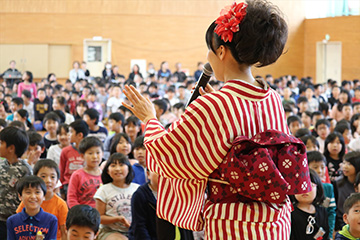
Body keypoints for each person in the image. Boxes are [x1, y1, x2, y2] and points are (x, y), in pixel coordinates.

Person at [122, 0, 311, 238]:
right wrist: (213, 106)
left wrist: (149, 118)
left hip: (234, 222)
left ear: (221, 51)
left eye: (210, 49)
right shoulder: (271, 97)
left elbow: (166, 154)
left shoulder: (215, 105)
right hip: (276, 219)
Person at [16, 160, 68, 240]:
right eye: (43, 176)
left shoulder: (61, 204)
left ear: (57, 181)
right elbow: (17, 223)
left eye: (52, 177)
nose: (48, 180)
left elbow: (64, 231)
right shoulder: (28, 201)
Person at [94, 153, 140, 239]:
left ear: (129, 169)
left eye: (121, 165)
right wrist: (118, 219)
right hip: (110, 231)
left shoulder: (138, 189)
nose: (117, 169)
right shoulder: (103, 190)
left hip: (135, 230)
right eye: (113, 165)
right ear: (107, 171)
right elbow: (99, 218)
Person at [0, 127, 31, 239]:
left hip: (15, 219)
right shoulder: (1, 165)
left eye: (1, 143)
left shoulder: (25, 169)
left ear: (11, 148)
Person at [6, 175, 58, 240]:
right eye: (28, 192)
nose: (33, 196)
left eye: (37, 192)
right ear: (20, 196)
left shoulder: (51, 220)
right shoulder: (12, 221)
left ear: (44, 196)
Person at [290, 169, 329, 240]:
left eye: (310, 185)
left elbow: (326, 234)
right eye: (299, 185)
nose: (305, 189)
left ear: (318, 188)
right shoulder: (290, 213)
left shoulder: (322, 211)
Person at [67, 137, 103, 208]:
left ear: (103, 154)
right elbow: (71, 198)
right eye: (90, 153)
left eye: (98, 153)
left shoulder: (105, 174)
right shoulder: (77, 175)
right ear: (82, 156)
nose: (95, 156)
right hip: (82, 214)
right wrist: (79, 213)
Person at [307, 151, 336, 238]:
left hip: (323, 230)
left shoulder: (329, 188)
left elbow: (331, 212)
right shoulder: (304, 189)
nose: (319, 171)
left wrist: (330, 234)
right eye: (315, 167)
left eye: (322, 167)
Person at [59, 120, 89, 200]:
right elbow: (61, 171)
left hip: (85, 185)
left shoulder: (89, 151)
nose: (69, 135)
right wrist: (61, 189)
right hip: (68, 185)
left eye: (71, 132)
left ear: (79, 135)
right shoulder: (65, 151)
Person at [335, 151, 360, 231]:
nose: (345, 167)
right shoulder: (337, 183)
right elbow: (335, 206)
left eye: (349, 164)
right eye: (344, 163)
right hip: (342, 222)